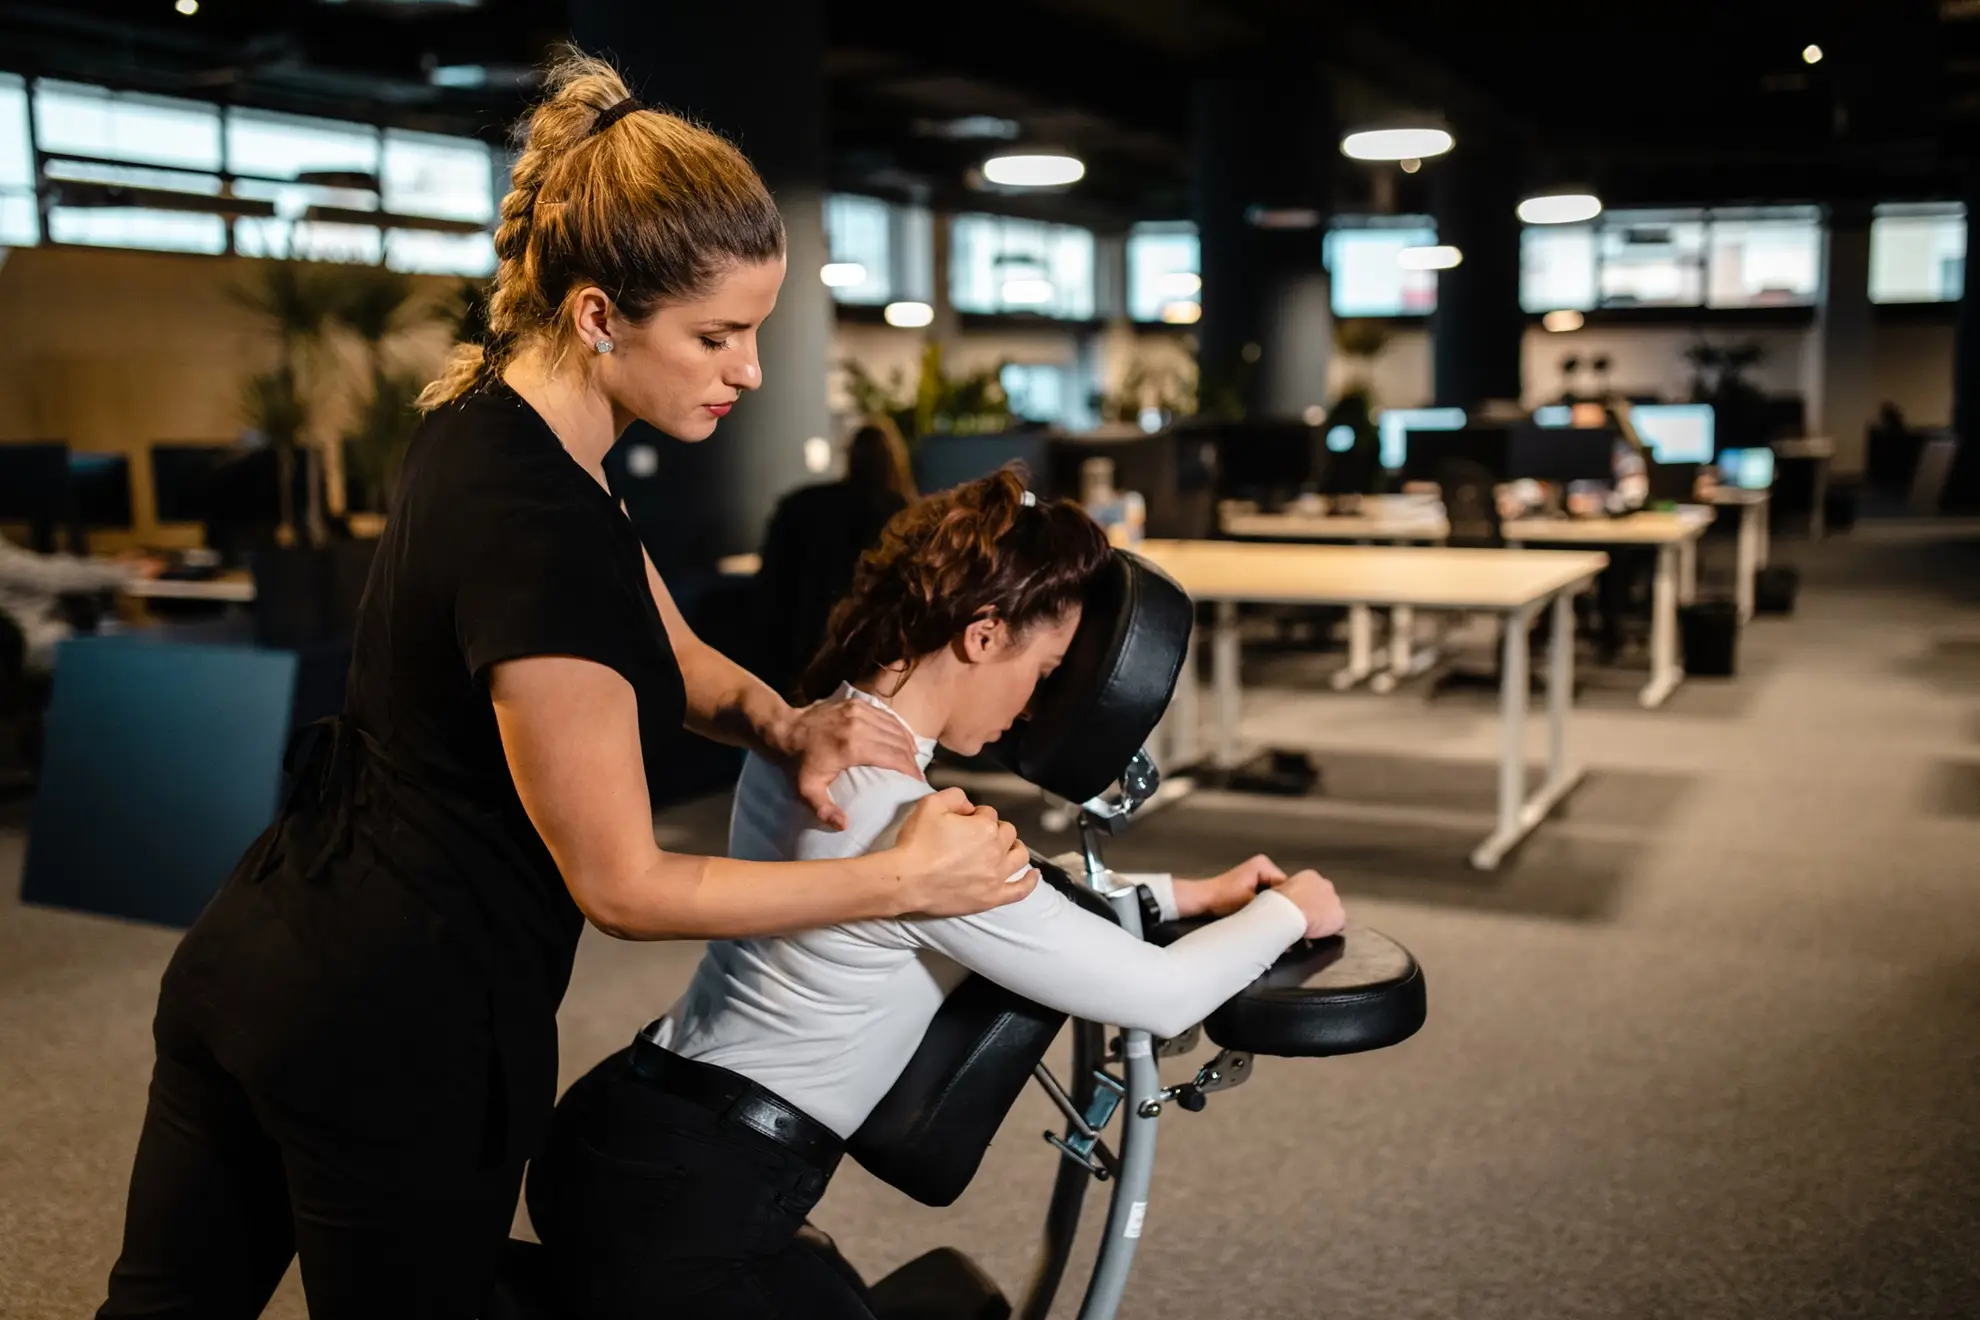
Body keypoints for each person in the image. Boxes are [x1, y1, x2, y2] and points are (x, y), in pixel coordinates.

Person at [96, 51, 1033, 1320]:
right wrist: (902, 880)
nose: (749, 369)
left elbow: (675, 655)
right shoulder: (536, 522)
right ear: (600, 316)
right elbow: (626, 888)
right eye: (717, 335)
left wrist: (783, 719)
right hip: (396, 1028)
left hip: (258, 956)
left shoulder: (500, 423)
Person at [525, 471, 1348, 1319]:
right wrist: (1294, 906)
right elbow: (1162, 994)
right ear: (984, 635)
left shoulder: (812, 735)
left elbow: (1024, 896)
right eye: (1046, 670)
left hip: (626, 1126)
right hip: (697, 1200)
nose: (1034, 711)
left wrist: (1192, 895)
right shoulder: (911, 829)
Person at [756, 417, 917, 695]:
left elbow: (772, 576)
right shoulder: (903, 515)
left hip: (800, 639)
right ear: (894, 459)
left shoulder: (805, 504)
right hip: (868, 651)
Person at [0, 532, 162, 674]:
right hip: (32, 648)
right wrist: (129, 570)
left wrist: (111, 567)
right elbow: (51, 576)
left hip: (24, 649)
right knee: (143, 650)